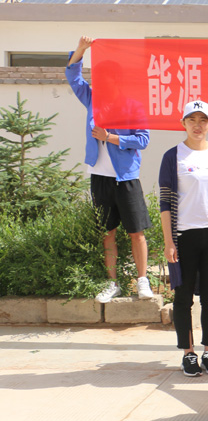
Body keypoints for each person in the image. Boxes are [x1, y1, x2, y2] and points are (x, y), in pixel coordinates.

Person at [66, 36, 154, 303]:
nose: (102, 83)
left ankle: (142, 281)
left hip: (126, 177)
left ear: (117, 81)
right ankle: (112, 283)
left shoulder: (132, 106)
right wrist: (81, 49)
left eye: (107, 79)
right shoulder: (92, 100)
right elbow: (73, 77)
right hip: (100, 176)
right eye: (99, 79)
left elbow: (143, 140)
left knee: (136, 232)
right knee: (107, 232)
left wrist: (111, 138)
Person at [159, 100, 208, 377]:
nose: (197, 125)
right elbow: (165, 202)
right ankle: (188, 353)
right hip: (184, 235)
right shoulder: (173, 156)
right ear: (183, 123)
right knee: (183, 296)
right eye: (192, 120)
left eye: (203, 120)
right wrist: (169, 241)